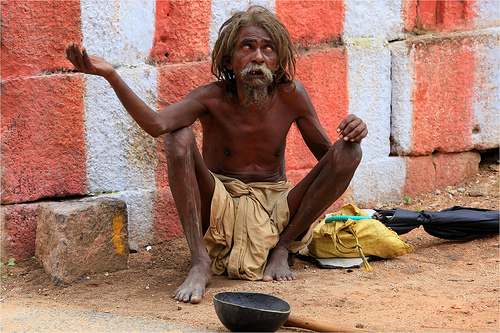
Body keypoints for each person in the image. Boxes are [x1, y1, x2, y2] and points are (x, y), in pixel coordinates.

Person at [65, 6, 367, 304]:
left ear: (277, 63)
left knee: (349, 152)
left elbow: (331, 161)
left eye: (267, 49)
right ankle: (200, 261)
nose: (258, 57)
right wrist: (110, 75)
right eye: (247, 48)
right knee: (178, 136)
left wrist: (353, 132)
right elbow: (157, 124)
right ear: (230, 59)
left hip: (276, 207)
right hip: (220, 206)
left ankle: (282, 249)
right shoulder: (211, 97)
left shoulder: (291, 95)